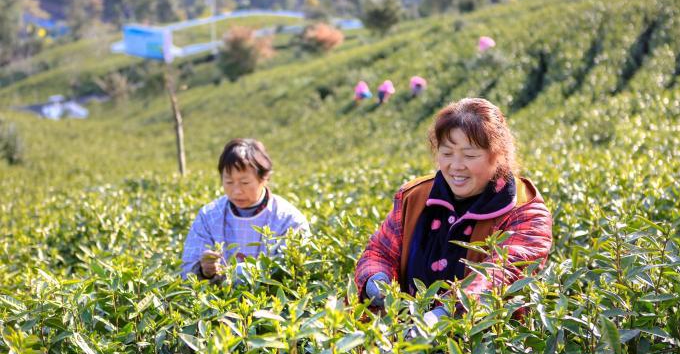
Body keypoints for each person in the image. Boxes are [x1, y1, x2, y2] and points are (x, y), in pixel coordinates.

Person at [355, 98, 552, 323]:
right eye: (447, 153)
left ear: (498, 156)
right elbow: (380, 251)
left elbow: (504, 274)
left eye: (470, 155)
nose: (456, 166)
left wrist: (444, 316)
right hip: (403, 345)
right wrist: (376, 281)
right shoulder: (414, 197)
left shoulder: (523, 209)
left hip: (480, 350)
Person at [181, 138, 309, 283]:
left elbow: (296, 273)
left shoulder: (288, 219)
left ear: (264, 178)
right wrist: (205, 271)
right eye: (229, 182)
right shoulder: (209, 216)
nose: (236, 191)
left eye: (245, 182)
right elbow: (188, 270)